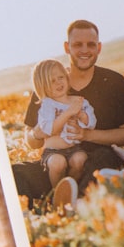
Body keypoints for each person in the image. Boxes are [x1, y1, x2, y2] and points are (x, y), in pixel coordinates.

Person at [21, 20, 124, 204]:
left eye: (91, 44)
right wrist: (39, 131)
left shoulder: (114, 81)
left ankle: (73, 202)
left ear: (99, 48)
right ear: (67, 47)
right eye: (77, 45)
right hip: (56, 162)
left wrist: (87, 134)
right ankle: (55, 198)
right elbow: (31, 141)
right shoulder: (49, 83)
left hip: (97, 160)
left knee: (103, 160)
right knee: (15, 174)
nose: (84, 50)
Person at [30, 58, 97, 191]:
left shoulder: (79, 101)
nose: (58, 83)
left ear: (67, 77)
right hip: (53, 151)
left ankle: (70, 189)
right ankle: (56, 193)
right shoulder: (47, 105)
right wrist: (68, 113)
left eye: (60, 77)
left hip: (74, 148)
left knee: (80, 159)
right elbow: (50, 129)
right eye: (51, 81)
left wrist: (82, 116)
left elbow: (91, 123)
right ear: (42, 86)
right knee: (57, 163)